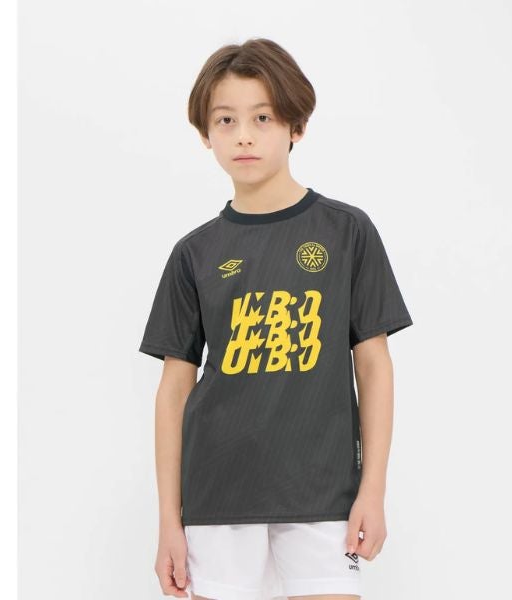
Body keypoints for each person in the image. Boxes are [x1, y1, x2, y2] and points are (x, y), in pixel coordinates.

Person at [139, 37, 414, 600]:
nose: (244, 134)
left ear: (296, 126)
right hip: (218, 496)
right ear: (206, 133)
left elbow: (373, 366)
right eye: (226, 119)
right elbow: (174, 390)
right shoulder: (194, 253)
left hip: (323, 494)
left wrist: (373, 489)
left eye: (262, 117)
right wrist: (170, 518)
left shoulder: (347, 232)